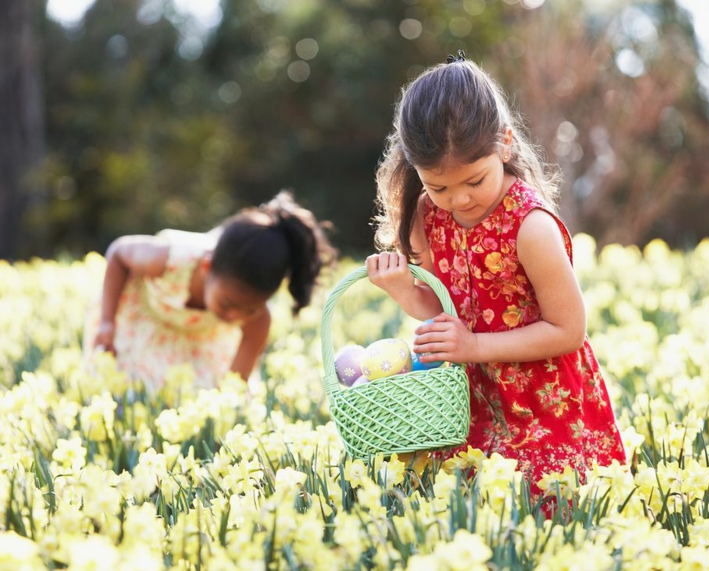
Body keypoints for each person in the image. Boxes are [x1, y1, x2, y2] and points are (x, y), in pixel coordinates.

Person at [367, 52, 625, 494]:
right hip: (472, 400)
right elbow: (440, 310)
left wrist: (472, 345)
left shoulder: (531, 226)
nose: (459, 200)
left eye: (475, 181)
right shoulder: (426, 216)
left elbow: (569, 330)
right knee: (466, 511)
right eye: (439, 186)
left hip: (543, 402)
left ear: (504, 144)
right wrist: (404, 292)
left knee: (547, 508)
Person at [84, 191, 335, 393]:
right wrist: (107, 321)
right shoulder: (167, 259)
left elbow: (233, 390)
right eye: (227, 304)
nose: (233, 316)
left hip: (199, 343)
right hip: (143, 323)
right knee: (123, 392)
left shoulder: (258, 321)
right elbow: (118, 253)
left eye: (250, 309)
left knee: (190, 396)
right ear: (206, 268)